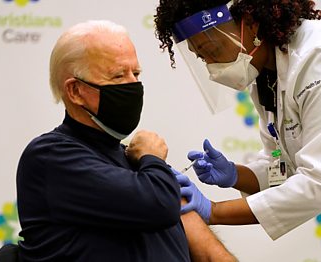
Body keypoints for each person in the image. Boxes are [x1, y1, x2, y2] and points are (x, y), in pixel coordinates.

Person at [154, 0, 321, 261]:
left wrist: (213, 211)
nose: (212, 70)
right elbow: (283, 163)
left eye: (212, 50)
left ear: (250, 23)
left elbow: (317, 183)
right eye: (202, 58)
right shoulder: (267, 74)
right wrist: (236, 174)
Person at [16, 20, 236, 261]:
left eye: (136, 73)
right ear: (75, 91)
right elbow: (159, 206)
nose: (134, 85)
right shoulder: (51, 156)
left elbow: (211, 254)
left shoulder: (138, 163)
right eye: (118, 75)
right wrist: (153, 159)